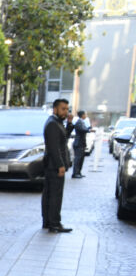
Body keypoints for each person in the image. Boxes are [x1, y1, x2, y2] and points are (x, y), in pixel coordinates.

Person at [42, 98, 73, 233]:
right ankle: (54, 223)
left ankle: (49, 222)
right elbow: (54, 148)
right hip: (54, 167)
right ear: (55, 109)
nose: (66, 111)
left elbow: (63, 138)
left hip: (53, 166)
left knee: (50, 194)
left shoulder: (56, 122)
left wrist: (70, 124)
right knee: (55, 196)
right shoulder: (53, 124)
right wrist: (60, 165)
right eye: (63, 109)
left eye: (67, 109)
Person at [71, 110, 92, 178]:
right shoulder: (79, 122)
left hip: (82, 144)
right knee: (78, 159)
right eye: (85, 114)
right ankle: (75, 173)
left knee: (81, 159)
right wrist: (89, 130)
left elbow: (85, 129)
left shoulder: (82, 121)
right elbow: (83, 130)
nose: (86, 115)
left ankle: (78, 172)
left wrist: (88, 128)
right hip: (79, 143)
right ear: (82, 115)